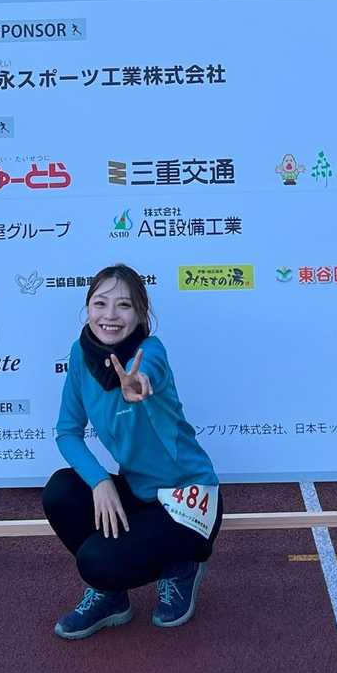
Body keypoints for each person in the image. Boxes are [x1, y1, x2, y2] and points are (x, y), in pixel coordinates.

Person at [42, 264, 221, 639]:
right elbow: (67, 432)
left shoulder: (150, 351)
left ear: (140, 313)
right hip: (139, 492)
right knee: (61, 491)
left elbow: (147, 371)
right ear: (88, 308)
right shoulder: (80, 355)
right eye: (100, 303)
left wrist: (138, 384)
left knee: (96, 562)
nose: (109, 315)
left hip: (188, 498)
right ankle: (112, 597)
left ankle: (182, 567)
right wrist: (100, 482)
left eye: (123, 305)